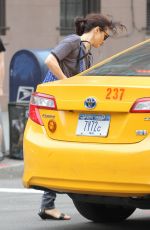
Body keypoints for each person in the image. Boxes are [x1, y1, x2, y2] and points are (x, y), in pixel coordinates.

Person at [38, 13, 125, 221]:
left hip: (64, 103)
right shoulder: (73, 42)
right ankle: (47, 205)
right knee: (56, 151)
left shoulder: (86, 53)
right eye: (105, 36)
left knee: (60, 151)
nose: (104, 41)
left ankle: (48, 205)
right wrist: (66, 82)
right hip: (52, 101)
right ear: (97, 31)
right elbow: (50, 60)